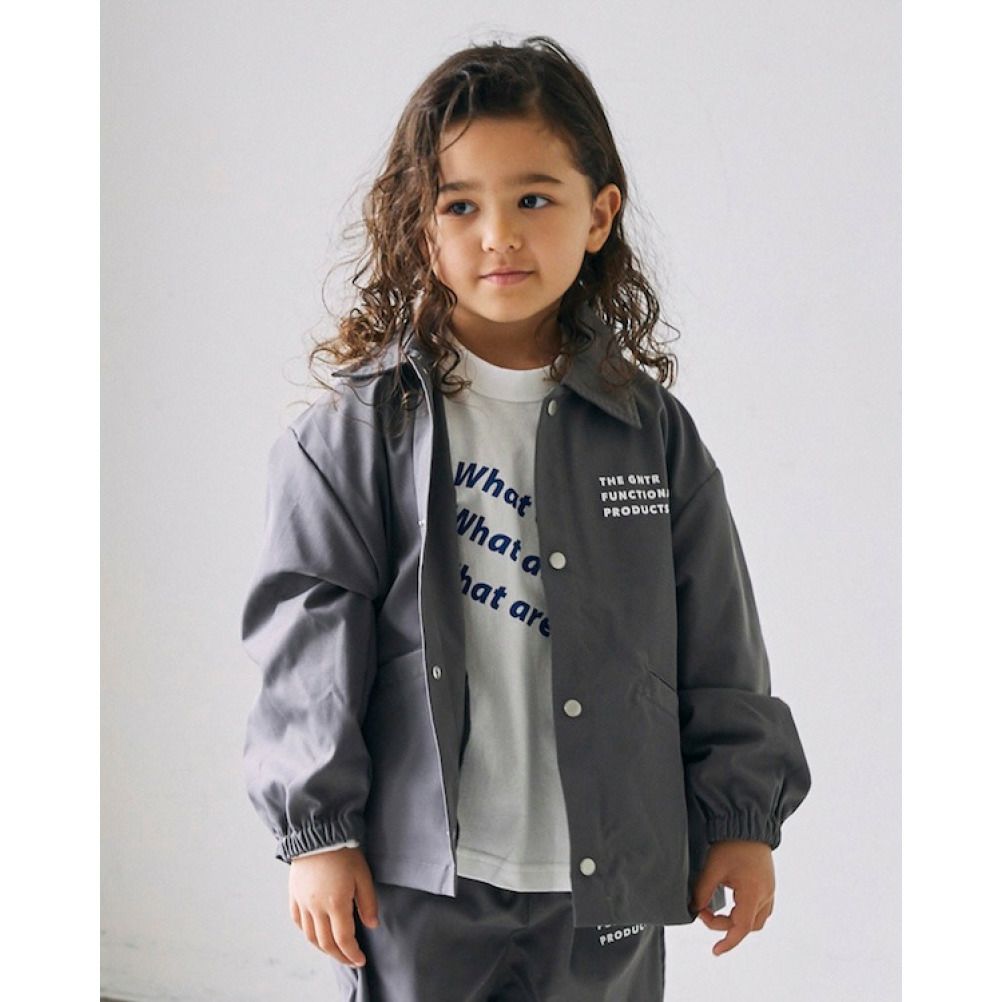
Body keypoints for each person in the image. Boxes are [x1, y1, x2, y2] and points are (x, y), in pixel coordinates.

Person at [240, 35, 811, 1002]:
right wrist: (318, 833)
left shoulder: (651, 433)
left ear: (600, 215)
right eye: (460, 205)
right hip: (420, 875)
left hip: (608, 871)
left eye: (534, 199)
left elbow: (720, 637)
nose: (498, 234)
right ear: (420, 227)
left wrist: (741, 820)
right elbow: (307, 641)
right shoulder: (358, 431)